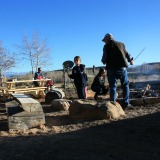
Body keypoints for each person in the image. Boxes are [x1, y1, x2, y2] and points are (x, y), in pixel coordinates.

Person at [101, 33, 134, 110]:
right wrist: (130, 60)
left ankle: (113, 105)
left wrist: (103, 61)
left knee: (113, 86)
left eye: (104, 40)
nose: (104, 42)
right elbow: (127, 54)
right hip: (122, 68)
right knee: (125, 85)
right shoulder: (121, 44)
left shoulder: (106, 46)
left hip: (111, 69)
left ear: (108, 38)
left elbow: (104, 58)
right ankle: (126, 104)